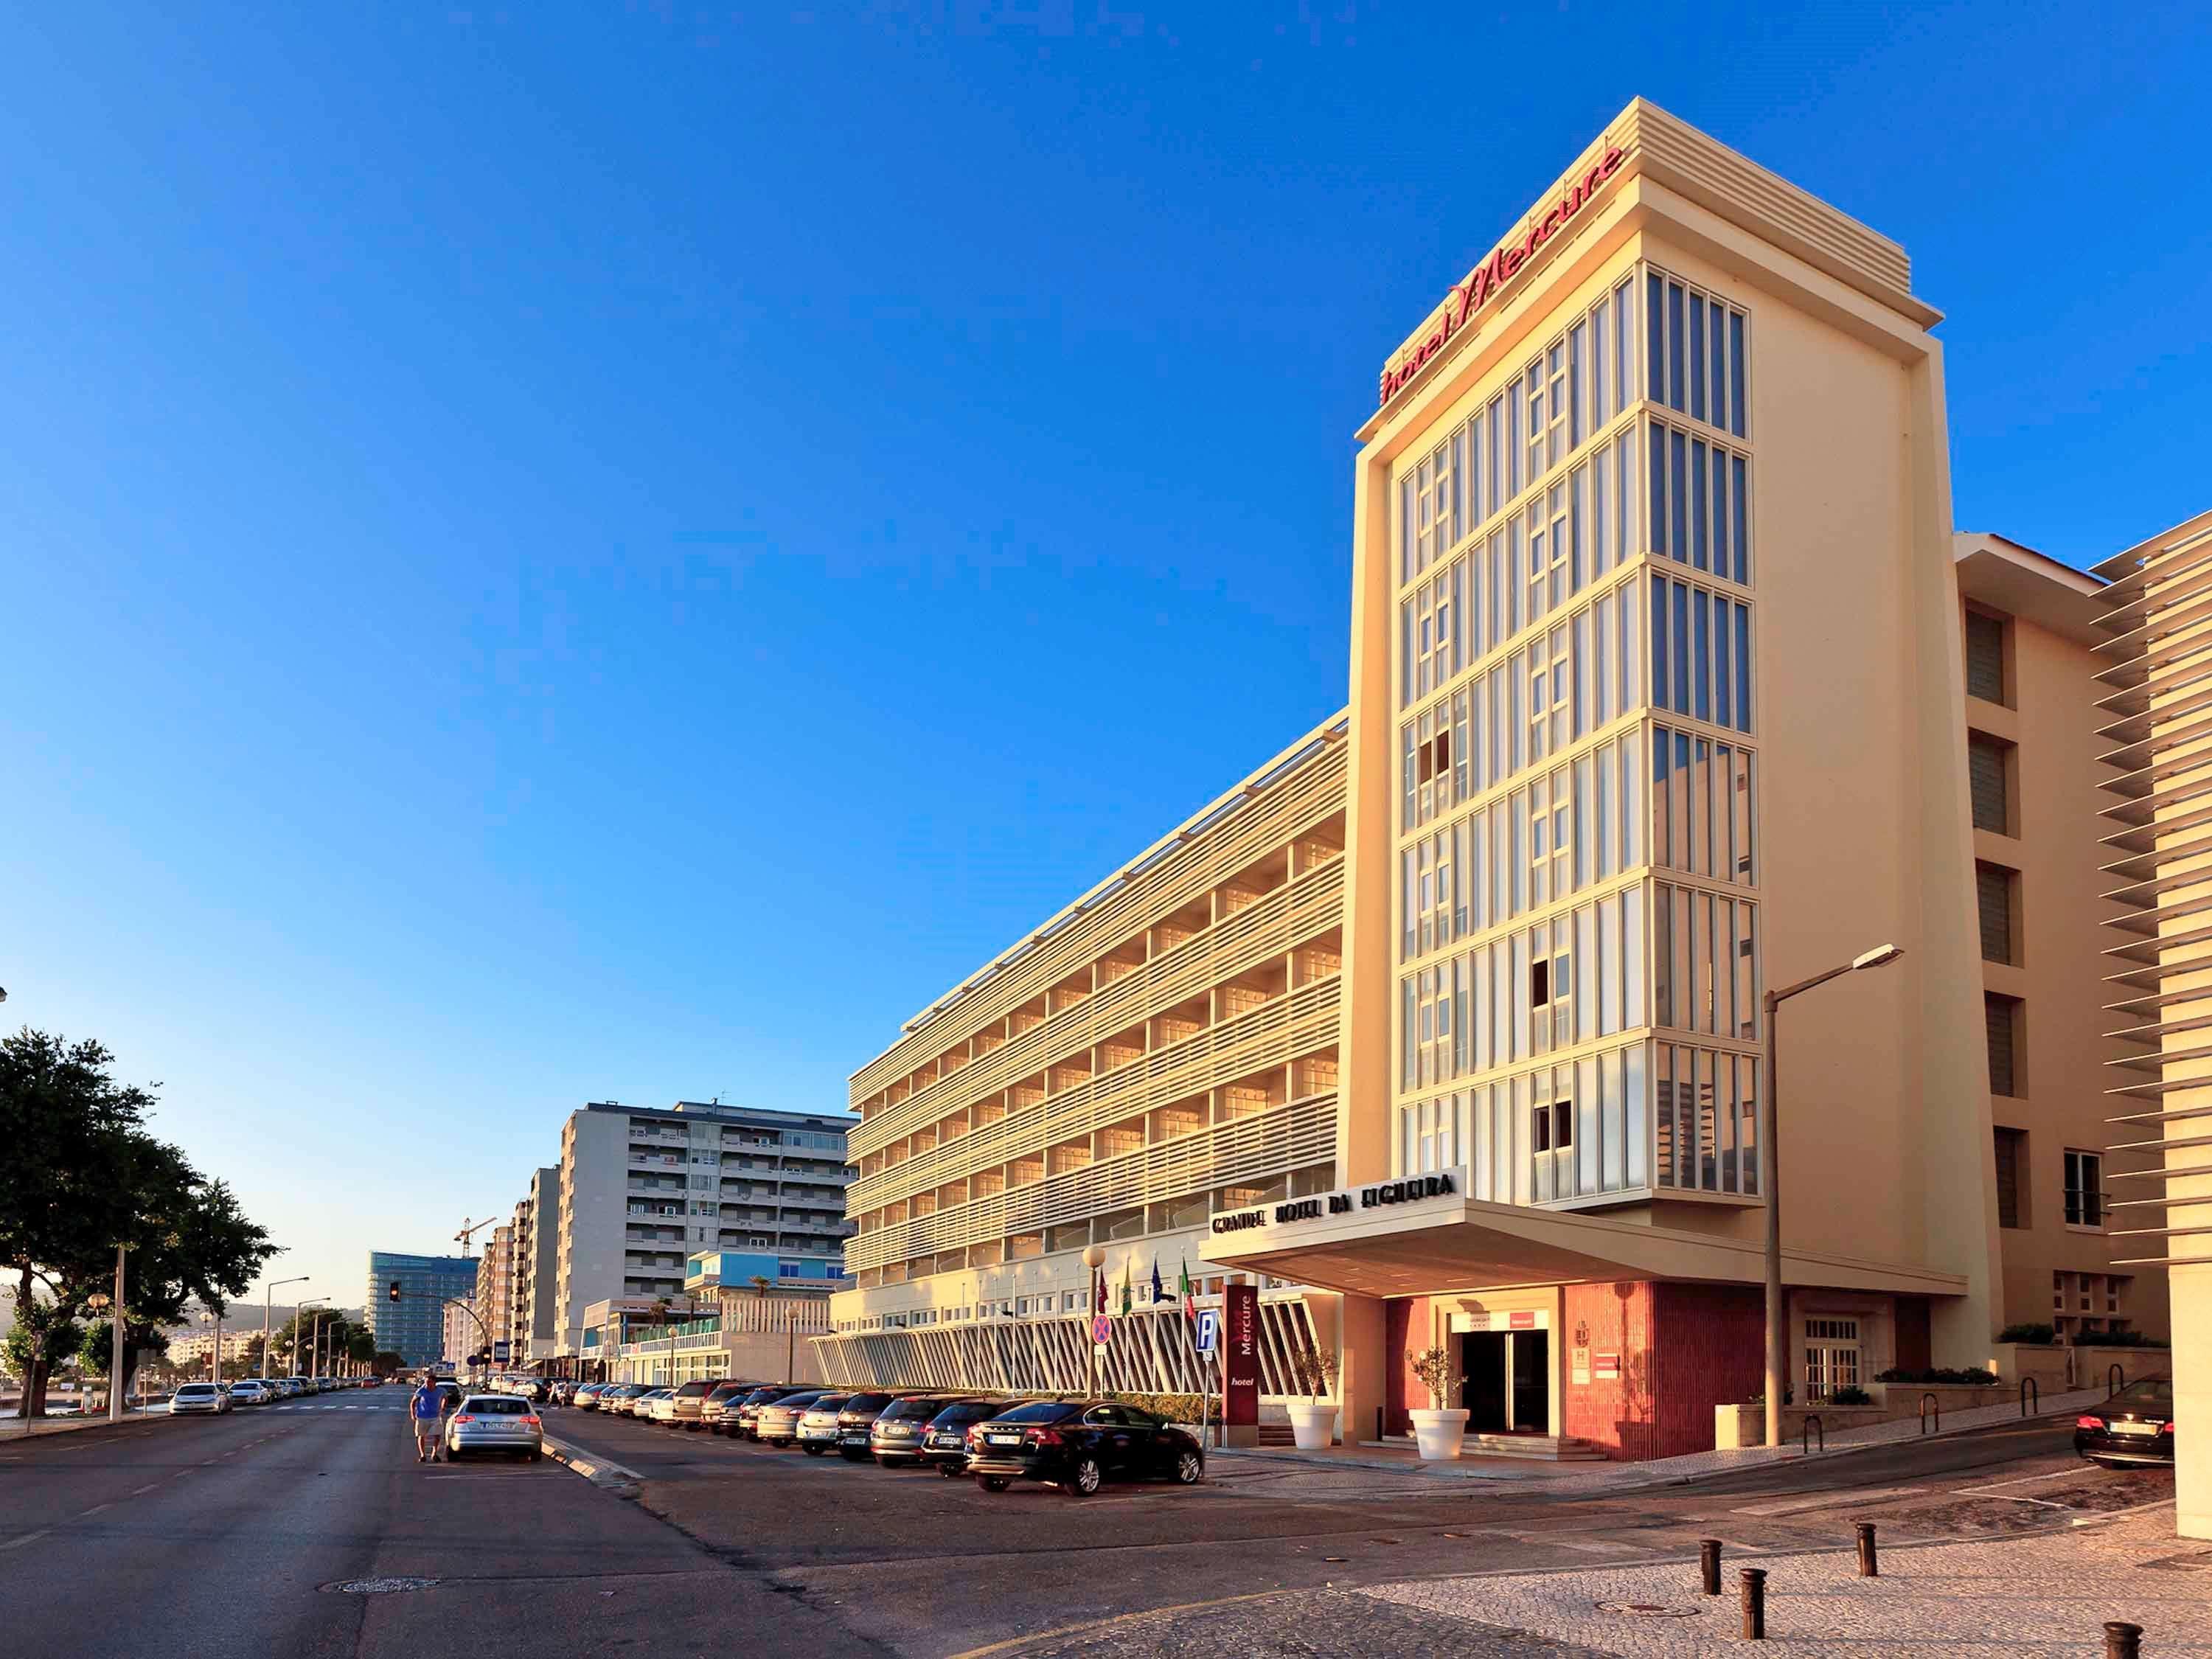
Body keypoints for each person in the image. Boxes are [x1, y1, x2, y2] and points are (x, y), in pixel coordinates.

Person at [409, 1376, 444, 1463]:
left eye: (429, 1382)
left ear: (434, 1382)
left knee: (438, 1435)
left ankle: (434, 1453)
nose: (427, 1384)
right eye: (426, 1382)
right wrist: (413, 1414)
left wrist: (442, 1408)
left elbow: (445, 1398)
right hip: (422, 1417)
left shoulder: (441, 1391)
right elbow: (413, 1402)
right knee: (421, 1435)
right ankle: (423, 1455)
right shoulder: (421, 1391)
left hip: (435, 1416)